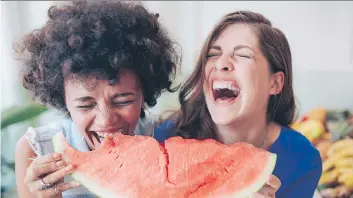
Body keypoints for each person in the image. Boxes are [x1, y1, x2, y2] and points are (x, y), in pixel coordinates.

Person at [14, 1, 180, 197]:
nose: (106, 121)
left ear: (144, 94)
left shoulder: (163, 139)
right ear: (63, 99)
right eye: (85, 104)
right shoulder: (36, 148)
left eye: (122, 101)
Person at [155, 10, 322, 198]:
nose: (221, 63)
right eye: (212, 54)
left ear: (275, 83)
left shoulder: (303, 160)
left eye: (243, 55)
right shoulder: (167, 140)